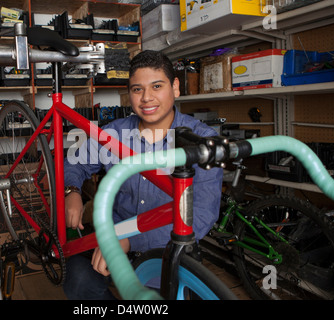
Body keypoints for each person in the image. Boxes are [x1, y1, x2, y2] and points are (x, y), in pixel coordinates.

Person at [62, 50, 223, 299]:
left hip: (166, 248)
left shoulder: (201, 141)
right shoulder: (114, 133)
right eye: (137, 89)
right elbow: (75, 163)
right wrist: (71, 191)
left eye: (156, 86)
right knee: (77, 279)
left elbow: (201, 213)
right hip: (113, 237)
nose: (147, 98)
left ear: (175, 87)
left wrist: (129, 240)